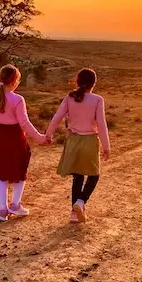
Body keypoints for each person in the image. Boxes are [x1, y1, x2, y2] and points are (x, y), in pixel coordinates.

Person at [0, 64, 49, 222]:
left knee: (2, 174)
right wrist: (40, 137)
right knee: (20, 171)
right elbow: (25, 124)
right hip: (15, 137)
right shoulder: (17, 99)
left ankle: (2, 210)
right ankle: (15, 204)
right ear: (14, 81)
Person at [46, 68, 110, 223]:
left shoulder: (70, 97)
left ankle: (74, 214)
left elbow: (57, 117)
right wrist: (107, 145)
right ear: (94, 84)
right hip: (89, 140)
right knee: (94, 175)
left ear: (78, 82)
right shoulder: (97, 99)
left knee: (77, 175)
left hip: (73, 140)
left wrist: (48, 134)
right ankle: (80, 202)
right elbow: (101, 124)